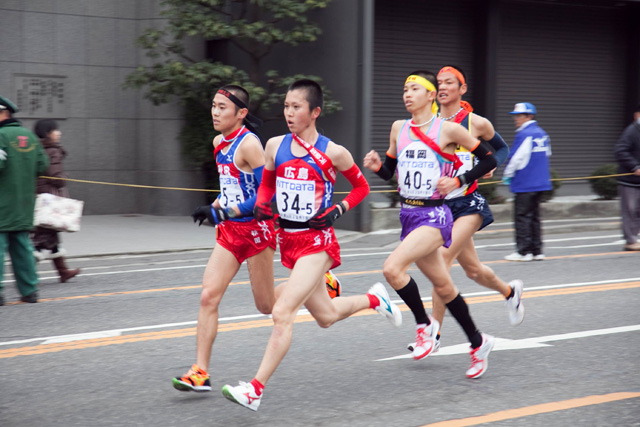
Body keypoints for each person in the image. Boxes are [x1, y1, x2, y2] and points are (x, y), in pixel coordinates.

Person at [221, 79, 401, 411]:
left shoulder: (334, 152)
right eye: (286, 106)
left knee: (282, 311)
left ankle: (255, 389)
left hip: (317, 242)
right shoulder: (274, 145)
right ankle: (375, 298)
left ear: (315, 112)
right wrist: (263, 204)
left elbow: (360, 188)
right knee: (326, 315)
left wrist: (337, 210)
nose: (289, 113)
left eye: (296, 107)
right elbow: (268, 184)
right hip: (287, 239)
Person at [364, 70, 497, 379]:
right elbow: (394, 174)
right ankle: (479, 343)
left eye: (414, 88)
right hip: (408, 215)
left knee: (392, 269)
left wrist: (459, 179)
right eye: (404, 89)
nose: (407, 94)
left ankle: (424, 326)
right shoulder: (399, 128)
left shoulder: (449, 130)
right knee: (444, 286)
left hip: (435, 216)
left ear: (430, 95)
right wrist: (377, 168)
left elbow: (489, 159)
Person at [172, 85, 278, 392]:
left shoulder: (250, 145)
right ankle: (200, 371)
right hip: (231, 232)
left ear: (241, 113)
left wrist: (225, 212)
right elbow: (232, 187)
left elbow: (264, 198)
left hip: (257, 231)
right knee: (208, 296)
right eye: (214, 106)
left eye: (223, 107)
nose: (216, 112)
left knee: (267, 306)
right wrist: (213, 206)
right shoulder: (219, 142)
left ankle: (311, 283)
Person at [428, 66, 524, 343]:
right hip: (441, 207)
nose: (442, 87)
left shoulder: (475, 123)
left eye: (449, 83)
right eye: (439, 83)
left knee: (442, 260)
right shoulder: (429, 122)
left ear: (462, 89)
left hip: (468, 204)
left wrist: (490, 166)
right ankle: (510, 292)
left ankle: (432, 332)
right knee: (473, 271)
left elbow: (502, 149)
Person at [0, 95, 49, 305]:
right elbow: (42, 166)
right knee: (22, 248)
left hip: (2, 205)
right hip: (24, 205)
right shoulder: (29, 137)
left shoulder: (0, 136)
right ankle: (30, 291)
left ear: (3, 113)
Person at [31, 119, 81, 283]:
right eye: (55, 130)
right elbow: (55, 177)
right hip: (50, 200)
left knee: (50, 236)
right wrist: (64, 178)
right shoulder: (53, 151)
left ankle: (63, 272)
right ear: (48, 133)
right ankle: (26, 274)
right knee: (39, 241)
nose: (59, 133)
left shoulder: (35, 148)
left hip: (39, 196)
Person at [502, 102, 552, 261]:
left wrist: (507, 174)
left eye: (519, 116)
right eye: (515, 116)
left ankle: (523, 251)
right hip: (541, 182)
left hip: (525, 182)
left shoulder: (524, 134)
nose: (515, 119)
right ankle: (537, 250)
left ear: (529, 116)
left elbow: (516, 158)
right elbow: (548, 154)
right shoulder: (542, 133)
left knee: (522, 216)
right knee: (535, 216)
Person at [614, 104, 640, 251]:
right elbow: (620, 151)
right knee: (629, 210)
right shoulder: (631, 131)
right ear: (636, 116)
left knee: (638, 211)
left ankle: (634, 237)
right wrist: (634, 167)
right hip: (629, 180)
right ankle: (630, 241)